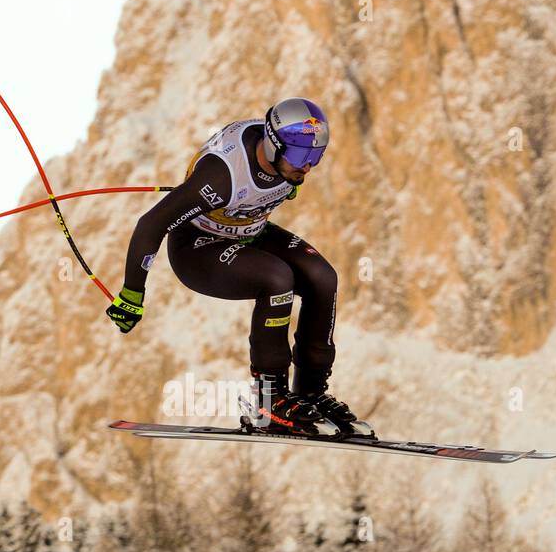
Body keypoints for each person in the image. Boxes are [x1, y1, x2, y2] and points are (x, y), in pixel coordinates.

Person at [107, 97, 372, 438]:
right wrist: (132, 294)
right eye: (301, 157)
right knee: (278, 280)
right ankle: (268, 403)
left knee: (323, 278)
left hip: (248, 230)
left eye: (316, 157)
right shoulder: (222, 176)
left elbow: (272, 180)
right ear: (274, 146)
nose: (307, 167)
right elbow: (151, 224)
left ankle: (310, 395)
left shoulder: (283, 160)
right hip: (198, 247)